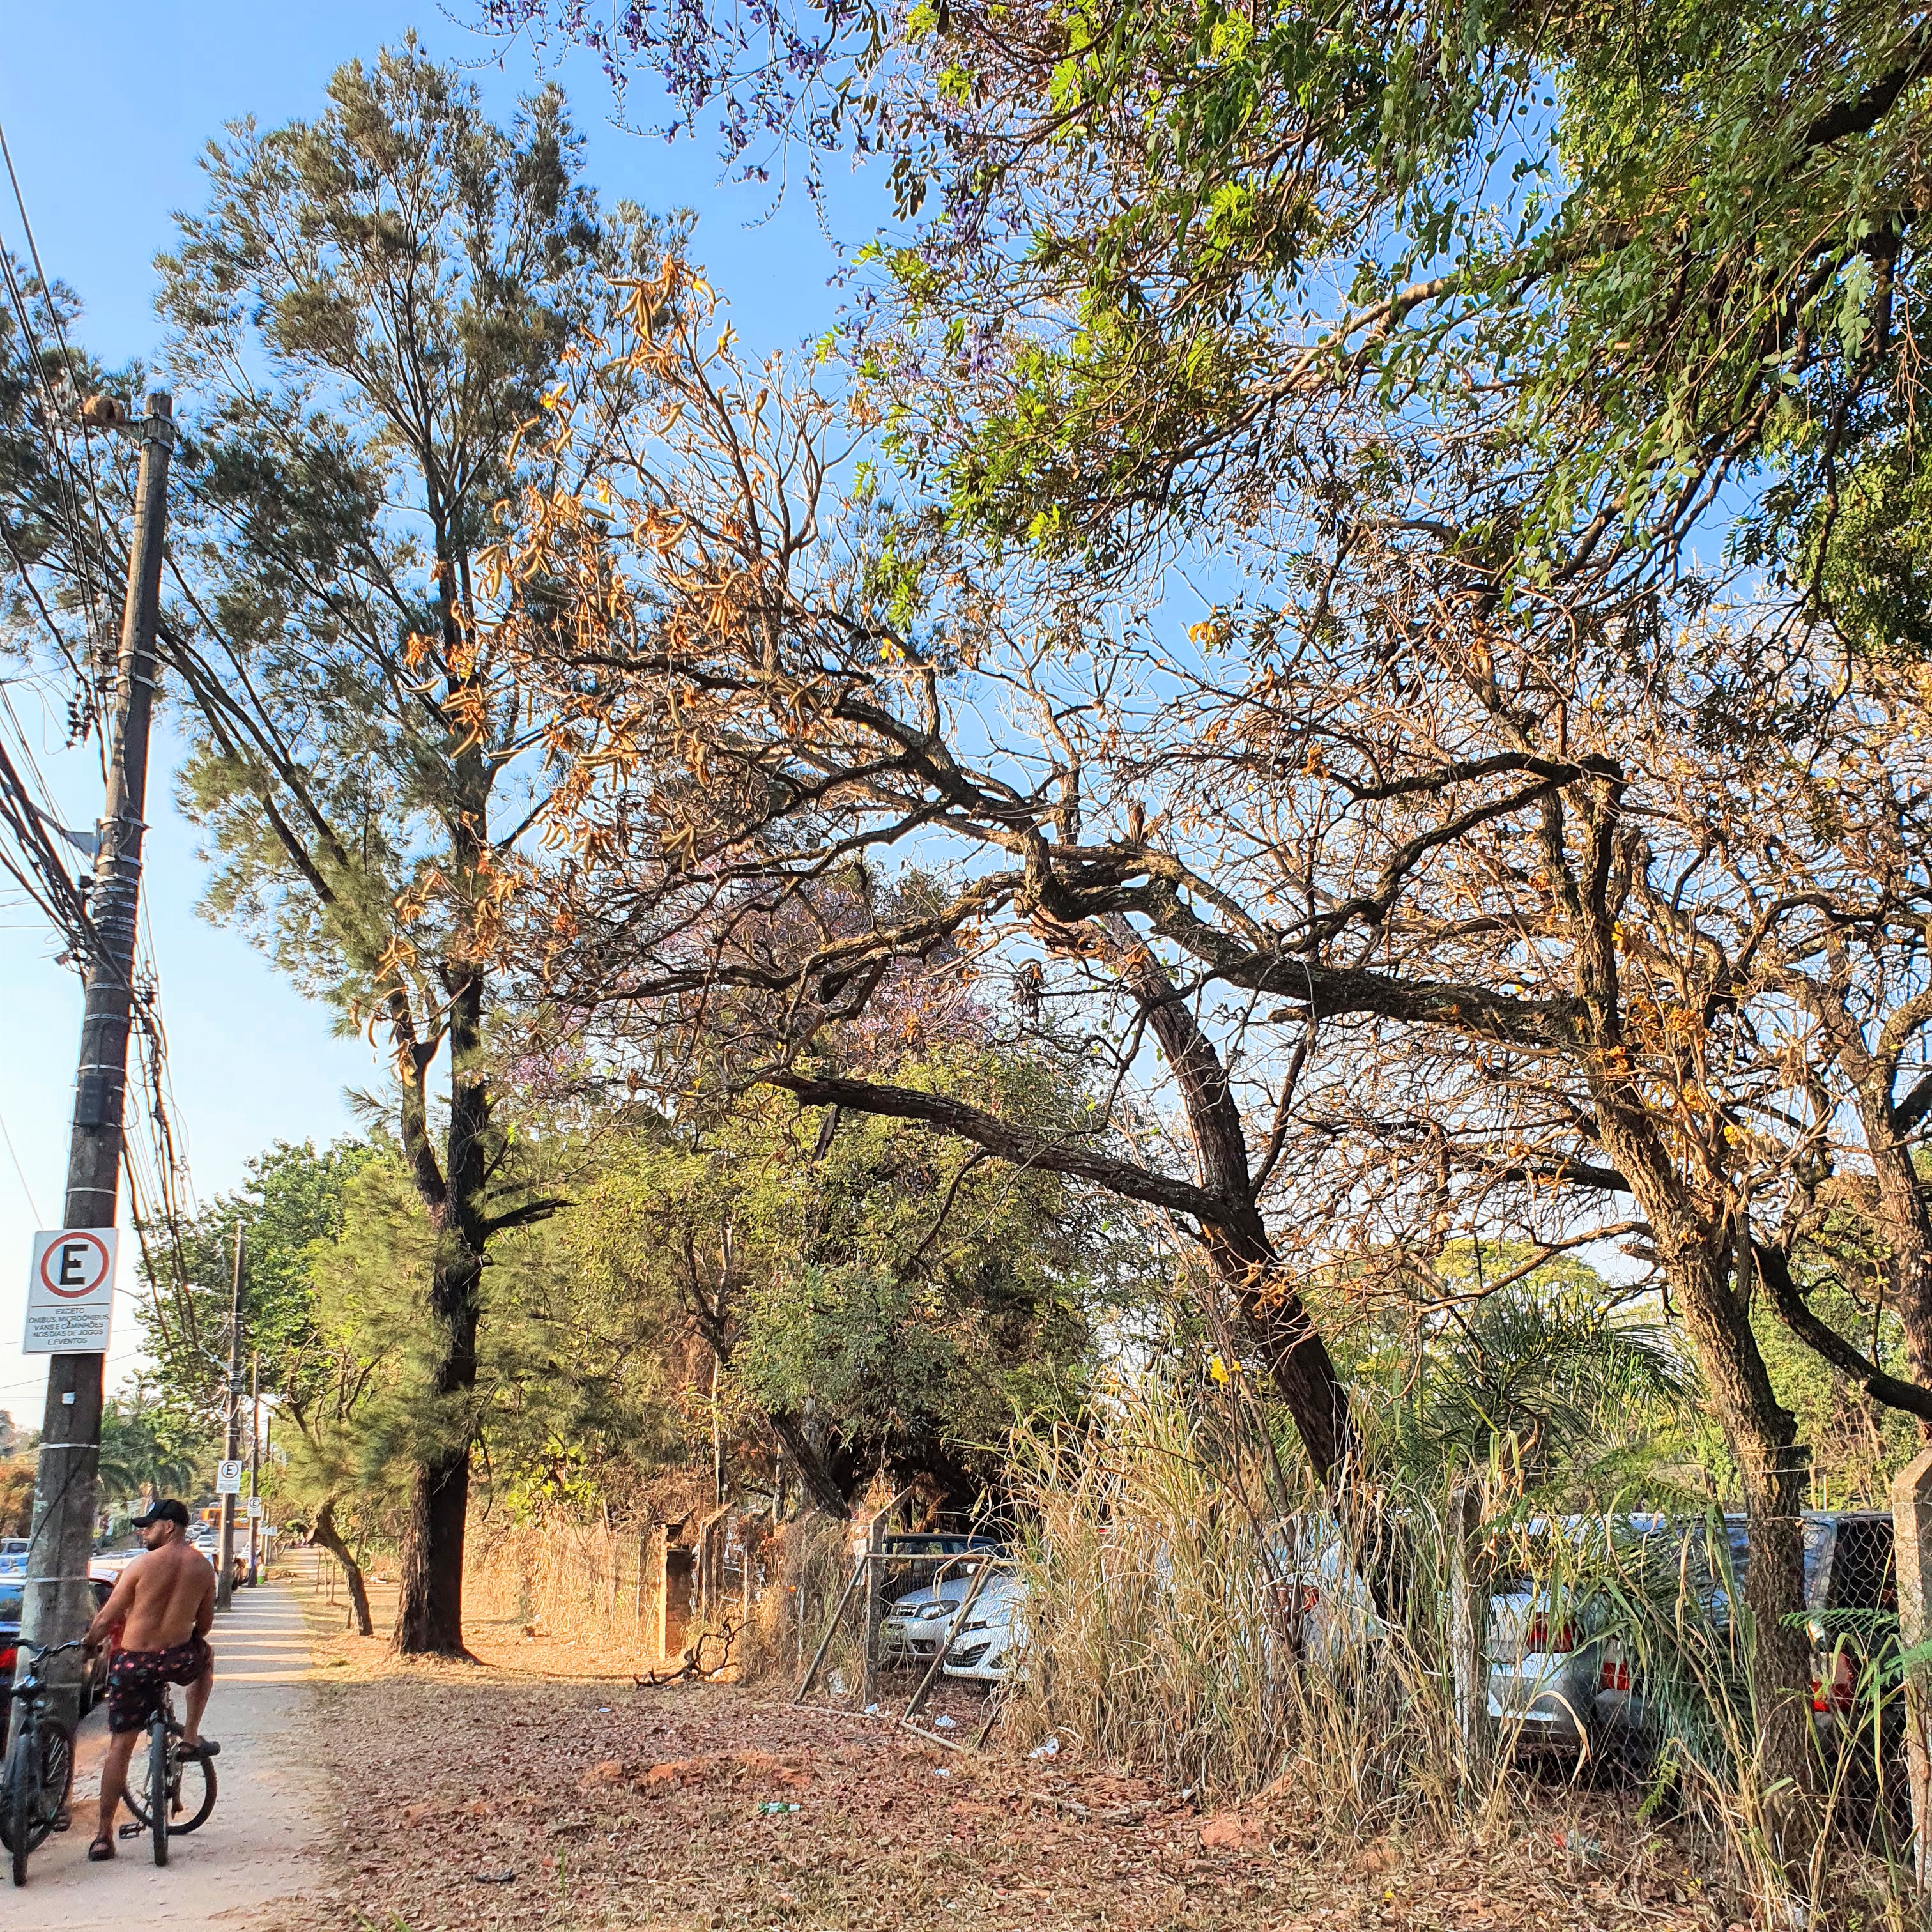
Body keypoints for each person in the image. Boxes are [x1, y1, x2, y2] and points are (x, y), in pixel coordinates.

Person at [80, 1498, 221, 1862]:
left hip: (133, 1664)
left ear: (169, 1527)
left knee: (120, 1747)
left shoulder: (140, 1565)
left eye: (149, 1526)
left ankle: (102, 1837)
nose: (143, 1532)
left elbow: (106, 1618)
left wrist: (88, 1646)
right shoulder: (204, 1569)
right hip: (175, 1659)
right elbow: (204, 1627)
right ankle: (190, 1737)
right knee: (204, 1659)